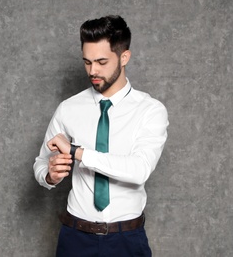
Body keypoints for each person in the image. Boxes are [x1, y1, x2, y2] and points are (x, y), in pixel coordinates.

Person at [33, 15, 169, 256]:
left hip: (127, 240)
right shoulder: (69, 108)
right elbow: (41, 163)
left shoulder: (150, 110)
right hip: (75, 237)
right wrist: (49, 175)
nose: (92, 71)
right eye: (87, 62)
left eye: (101, 61)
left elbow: (139, 169)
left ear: (124, 57)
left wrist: (77, 152)